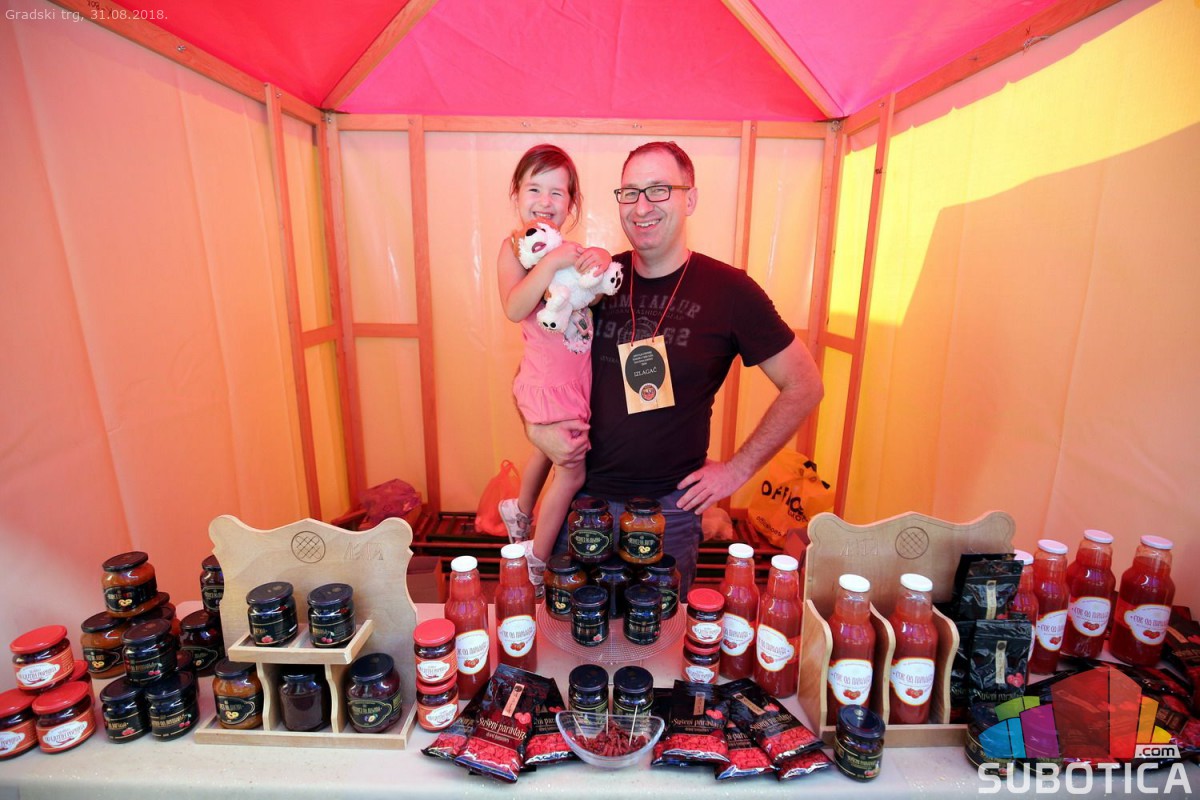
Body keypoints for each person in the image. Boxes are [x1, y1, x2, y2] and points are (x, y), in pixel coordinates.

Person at [526, 141, 824, 595]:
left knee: (663, 630)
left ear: (691, 199)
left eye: (659, 190)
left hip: (671, 511)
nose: (642, 206)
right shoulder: (593, 282)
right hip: (582, 502)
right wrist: (536, 430)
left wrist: (737, 470)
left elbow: (804, 384)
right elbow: (536, 370)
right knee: (575, 630)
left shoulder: (729, 291)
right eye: (630, 192)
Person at [496, 144, 612, 591]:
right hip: (547, 380)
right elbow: (514, 307)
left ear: (572, 203)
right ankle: (536, 562)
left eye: (557, 193)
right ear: (516, 194)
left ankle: (520, 510)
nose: (545, 201)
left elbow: (593, 294)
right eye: (534, 189)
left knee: (548, 450)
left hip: (573, 378)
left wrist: (598, 261)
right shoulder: (515, 249)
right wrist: (550, 263)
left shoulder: (569, 249)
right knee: (572, 469)